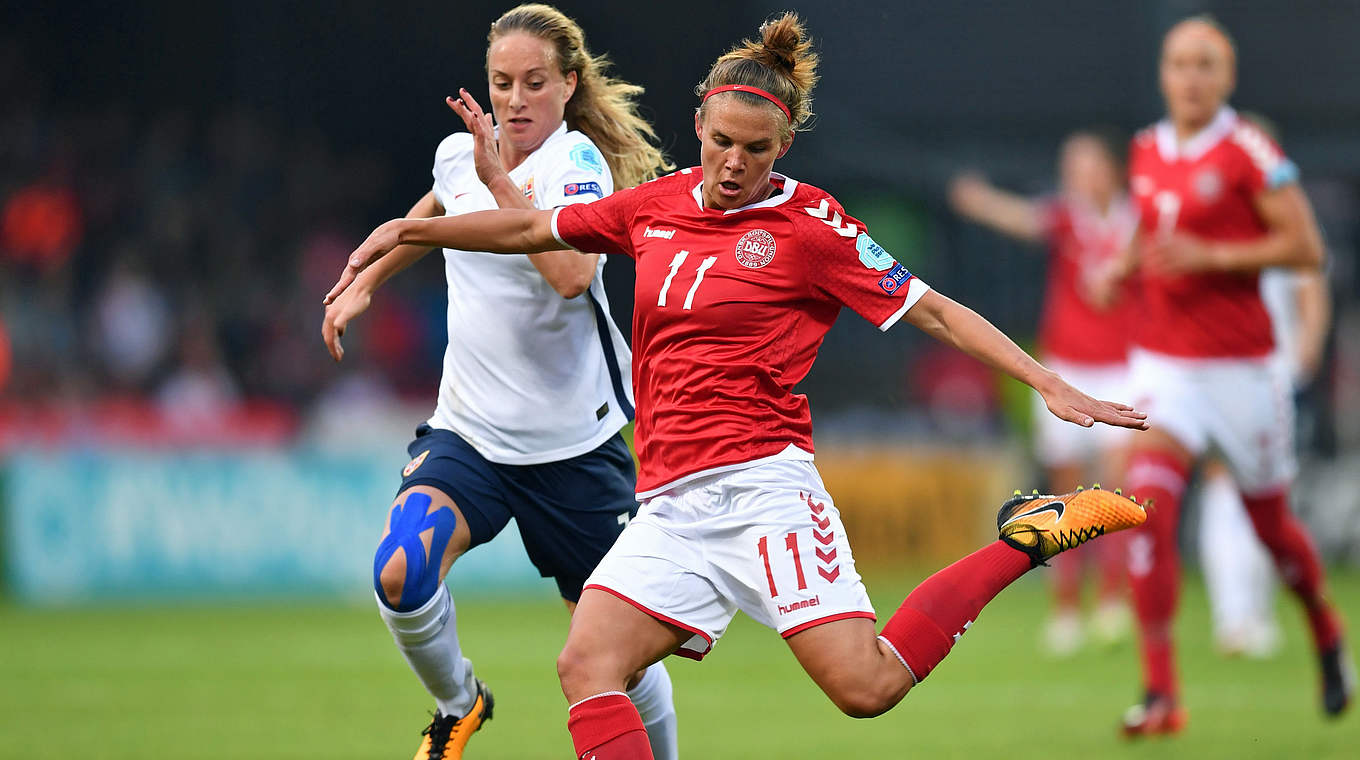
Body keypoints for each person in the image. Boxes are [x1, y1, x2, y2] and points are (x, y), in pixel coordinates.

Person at [325, 15, 1150, 759]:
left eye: (756, 150)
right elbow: (533, 228)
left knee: (868, 689)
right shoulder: (654, 206)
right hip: (671, 507)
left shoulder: (813, 227)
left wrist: (1045, 380)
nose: (733, 163)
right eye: (722, 141)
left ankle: (1025, 539)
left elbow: (933, 312)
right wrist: (408, 229)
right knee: (587, 663)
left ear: (782, 148)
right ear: (699, 126)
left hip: (765, 493)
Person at [320, 5, 679, 759]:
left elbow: (572, 274)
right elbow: (434, 211)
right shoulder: (462, 155)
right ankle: (460, 705)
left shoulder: (576, 165)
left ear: (569, 85)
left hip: (574, 448)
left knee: (618, 653)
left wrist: (498, 180)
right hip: (471, 435)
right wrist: (368, 283)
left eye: (534, 83)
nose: (516, 99)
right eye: (502, 82)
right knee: (400, 570)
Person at [1092, 15, 1352, 735]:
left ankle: (1327, 632)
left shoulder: (1248, 150)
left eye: (1206, 64)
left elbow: (1305, 247)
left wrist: (1213, 258)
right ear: (1163, 74)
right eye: (1180, 63)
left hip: (1241, 370)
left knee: (1271, 528)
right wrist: (1120, 265)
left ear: (1228, 77)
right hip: (1166, 365)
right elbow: (1149, 224)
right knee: (1147, 505)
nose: (1192, 77)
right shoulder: (1145, 149)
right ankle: (1161, 694)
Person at [949, 131, 1138, 656]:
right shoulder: (1067, 218)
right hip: (1065, 369)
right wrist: (979, 200)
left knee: (1119, 487)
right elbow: (1023, 217)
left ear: (1111, 170)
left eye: (1086, 166)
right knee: (1067, 496)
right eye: (1070, 167)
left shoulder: (1137, 222)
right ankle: (1066, 609)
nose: (1077, 178)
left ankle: (1110, 601)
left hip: (1124, 369)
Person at [1197, 264, 1331, 658]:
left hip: (1270, 371)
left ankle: (1248, 614)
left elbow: (1310, 281)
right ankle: (1236, 615)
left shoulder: (1276, 210)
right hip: (1224, 368)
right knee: (1232, 488)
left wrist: (1309, 342)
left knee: (1261, 496)